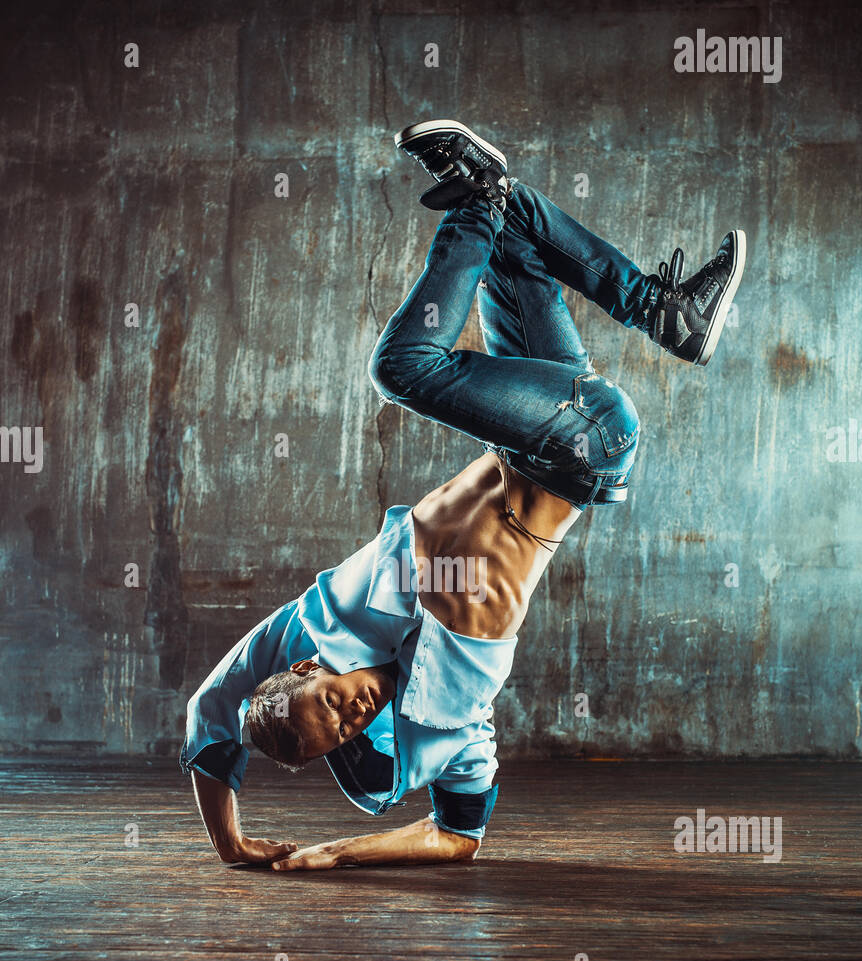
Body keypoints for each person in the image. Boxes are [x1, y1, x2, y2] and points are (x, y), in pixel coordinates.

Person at [181, 120, 746, 873]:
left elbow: (209, 708)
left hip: (532, 443)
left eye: (331, 706)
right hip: (583, 450)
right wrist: (336, 854)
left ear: (311, 671)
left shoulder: (311, 627)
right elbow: (458, 836)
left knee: (505, 228)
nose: (352, 717)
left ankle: (664, 308)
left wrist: (229, 842)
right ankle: (480, 192)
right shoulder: (441, 729)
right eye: (342, 736)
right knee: (404, 368)